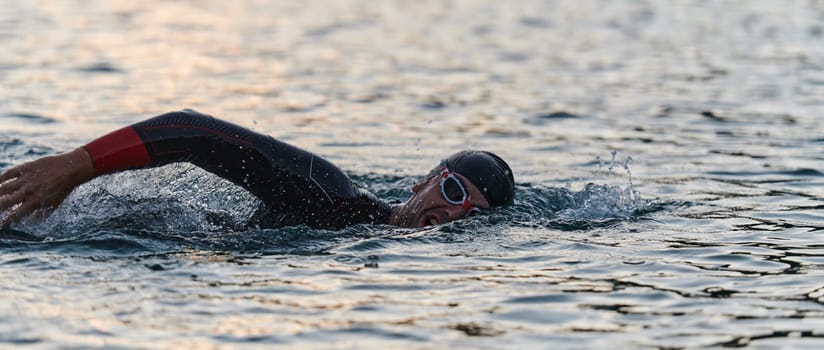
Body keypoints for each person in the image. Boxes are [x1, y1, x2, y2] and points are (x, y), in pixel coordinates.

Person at [0, 109, 515, 229]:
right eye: (450, 190)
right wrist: (74, 166)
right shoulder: (328, 196)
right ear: (423, 181)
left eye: (471, 213)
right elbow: (194, 132)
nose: (452, 214)